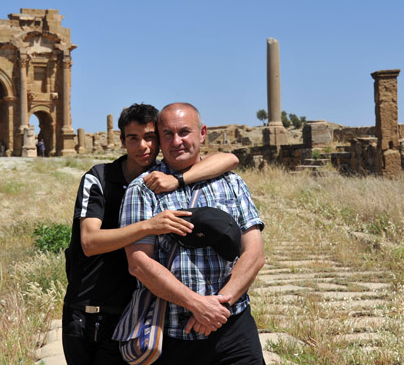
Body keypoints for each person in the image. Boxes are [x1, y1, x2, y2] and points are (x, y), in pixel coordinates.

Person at [62, 103, 240, 365]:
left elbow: (231, 159)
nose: (143, 146)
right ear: (122, 140)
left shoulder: (160, 178)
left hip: (135, 311)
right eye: (133, 138)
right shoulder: (99, 178)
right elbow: (89, 242)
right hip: (89, 308)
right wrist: (149, 226)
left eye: (149, 137)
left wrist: (178, 180)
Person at [121, 102, 265, 364]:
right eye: (168, 134)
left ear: (202, 134)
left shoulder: (231, 182)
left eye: (184, 132)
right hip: (172, 333)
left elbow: (254, 252)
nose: (177, 141)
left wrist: (219, 306)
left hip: (233, 328)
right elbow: (139, 263)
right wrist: (197, 305)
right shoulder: (141, 189)